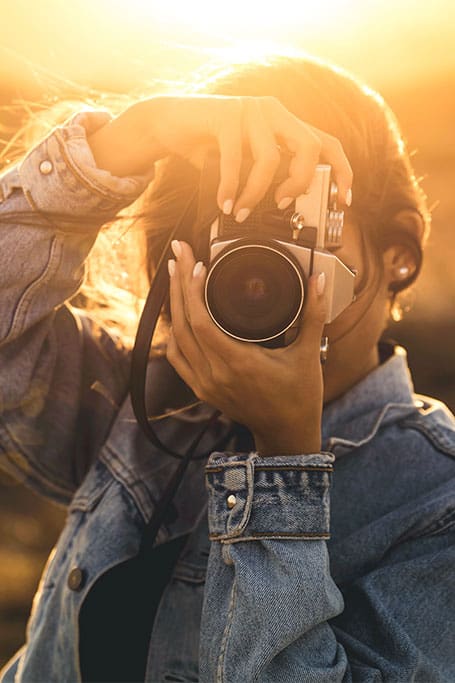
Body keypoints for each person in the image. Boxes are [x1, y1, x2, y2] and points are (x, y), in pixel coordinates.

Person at [0, 53, 454, 683]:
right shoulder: (141, 401)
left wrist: (285, 460)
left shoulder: (437, 502)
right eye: (232, 241)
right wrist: (133, 138)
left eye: (298, 240)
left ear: (398, 255)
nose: (259, 274)